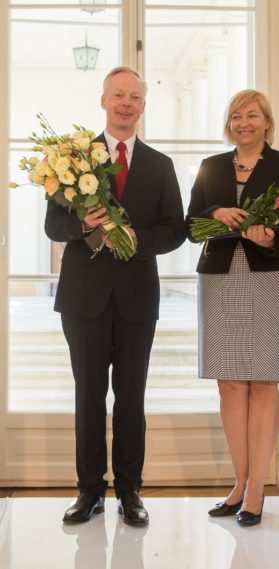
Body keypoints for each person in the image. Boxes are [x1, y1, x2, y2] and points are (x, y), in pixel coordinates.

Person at [46, 66, 186, 526]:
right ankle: (89, 491)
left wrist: (135, 239)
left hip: (137, 299)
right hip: (83, 299)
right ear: (103, 100)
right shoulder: (72, 161)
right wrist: (83, 224)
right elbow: (53, 225)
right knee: (88, 397)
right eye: (119, 95)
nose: (127, 103)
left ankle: (129, 491)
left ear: (143, 105)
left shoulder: (160, 165)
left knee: (131, 397)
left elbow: (176, 230)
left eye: (135, 97)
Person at [185, 89, 279, 528]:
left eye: (252, 115)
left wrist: (271, 238)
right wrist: (216, 212)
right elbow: (190, 225)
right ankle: (239, 483)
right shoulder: (212, 166)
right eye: (236, 116)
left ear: (267, 121)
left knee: (264, 381)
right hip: (221, 277)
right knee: (230, 384)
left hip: (271, 277)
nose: (243, 123)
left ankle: (257, 489)